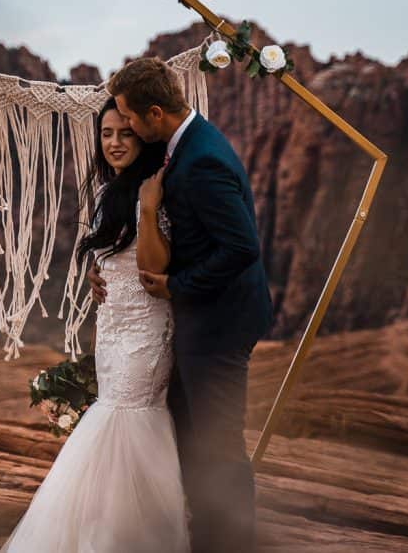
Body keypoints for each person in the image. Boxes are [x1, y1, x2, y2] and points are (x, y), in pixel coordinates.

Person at [90, 57, 273, 552]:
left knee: (219, 447)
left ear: (154, 113)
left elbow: (241, 247)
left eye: (128, 117)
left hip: (218, 324)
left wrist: (176, 285)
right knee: (194, 441)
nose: (122, 127)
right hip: (198, 322)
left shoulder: (201, 160)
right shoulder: (187, 145)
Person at [0, 97, 190, 553]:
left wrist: (148, 209)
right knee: (112, 416)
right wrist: (96, 272)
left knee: (128, 419)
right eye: (106, 134)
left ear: (143, 136)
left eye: (125, 133)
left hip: (146, 330)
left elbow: (152, 268)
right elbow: (115, 257)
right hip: (112, 327)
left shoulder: (156, 188)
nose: (114, 142)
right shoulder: (110, 192)